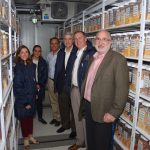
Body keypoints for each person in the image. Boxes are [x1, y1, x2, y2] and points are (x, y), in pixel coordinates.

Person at [81, 30, 129, 150]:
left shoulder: (118, 60)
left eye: (104, 39)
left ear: (110, 42)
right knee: (91, 140)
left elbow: (122, 90)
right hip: (89, 106)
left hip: (104, 110)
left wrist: (114, 112)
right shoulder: (93, 57)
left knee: (101, 144)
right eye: (98, 39)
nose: (100, 42)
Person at [68, 31, 96, 150]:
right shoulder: (75, 52)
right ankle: (80, 141)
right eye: (75, 39)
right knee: (77, 116)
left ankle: (89, 145)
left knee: (85, 118)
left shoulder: (91, 53)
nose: (77, 41)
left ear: (85, 39)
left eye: (80, 38)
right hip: (74, 88)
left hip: (84, 91)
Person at [13, 45, 39, 148]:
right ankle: (25, 139)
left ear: (29, 54)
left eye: (26, 52)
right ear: (18, 54)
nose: (24, 54)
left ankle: (30, 136)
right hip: (24, 99)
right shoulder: (18, 68)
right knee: (24, 119)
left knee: (30, 118)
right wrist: (25, 102)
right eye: (22, 52)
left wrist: (36, 85)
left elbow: (32, 79)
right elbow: (18, 87)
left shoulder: (31, 65)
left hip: (31, 96)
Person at [54, 32, 77, 138]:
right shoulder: (60, 52)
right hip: (62, 84)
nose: (67, 41)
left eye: (70, 39)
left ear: (73, 40)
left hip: (72, 85)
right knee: (63, 106)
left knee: (73, 108)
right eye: (65, 39)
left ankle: (74, 129)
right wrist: (56, 85)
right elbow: (57, 69)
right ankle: (65, 125)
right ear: (63, 41)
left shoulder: (76, 52)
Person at [32, 45, 48, 124]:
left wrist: (39, 84)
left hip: (40, 86)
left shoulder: (43, 62)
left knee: (39, 102)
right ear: (33, 51)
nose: (37, 52)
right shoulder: (28, 61)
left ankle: (40, 117)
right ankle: (30, 118)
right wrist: (33, 84)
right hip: (30, 86)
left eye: (39, 51)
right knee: (31, 102)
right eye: (35, 50)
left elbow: (45, 75)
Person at [47, 37, 61, 126]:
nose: (54, 45)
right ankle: (55, 117)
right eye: (52, 43)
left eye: (56, 43)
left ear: (59, 44)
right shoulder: (49, 55)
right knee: (53, 100)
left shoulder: (62, 54)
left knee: (59, 100)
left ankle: (59, 118)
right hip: (50, 80)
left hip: (58, 81)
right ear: (50, 45)